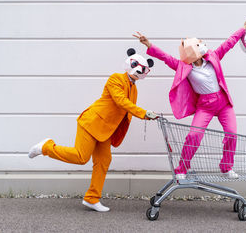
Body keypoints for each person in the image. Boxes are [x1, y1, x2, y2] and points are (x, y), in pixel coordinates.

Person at [28, 48, 159, 211]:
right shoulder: (116, 79)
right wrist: (144, 113)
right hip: (91, 123)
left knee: (104, 161)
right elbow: (121, 101)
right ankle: (46, 147)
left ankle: (91, 198)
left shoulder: (135, 89)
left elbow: (125, 112)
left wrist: (146, 116)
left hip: (105, 132)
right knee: (81, 157)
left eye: (144, 69)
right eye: (137, 66)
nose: (140, 70)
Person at [133, 19, 246, 179]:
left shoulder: (213, 57)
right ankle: (182, 168)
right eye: (198, 45)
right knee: (193, 135)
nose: (202, 45)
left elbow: (228, 43)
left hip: (223, 103)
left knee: (231, 133)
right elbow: (165, 57)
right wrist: (149, 45)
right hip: (205, 105)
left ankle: (226, 168)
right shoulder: (184, 67)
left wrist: (243, 29)